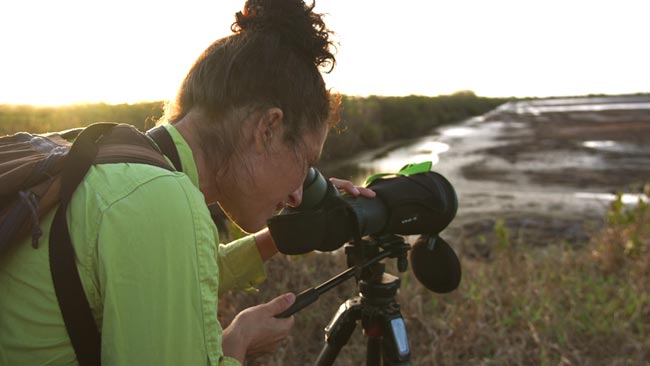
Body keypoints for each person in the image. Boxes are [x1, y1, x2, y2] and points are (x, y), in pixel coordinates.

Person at [0, 0, 375, 365]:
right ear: (268, 128)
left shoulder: (116, 153)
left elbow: (177, 272)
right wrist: (237, 341)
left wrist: (279, 236)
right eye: (306, 161)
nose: (299, 192)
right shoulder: (162, 201)